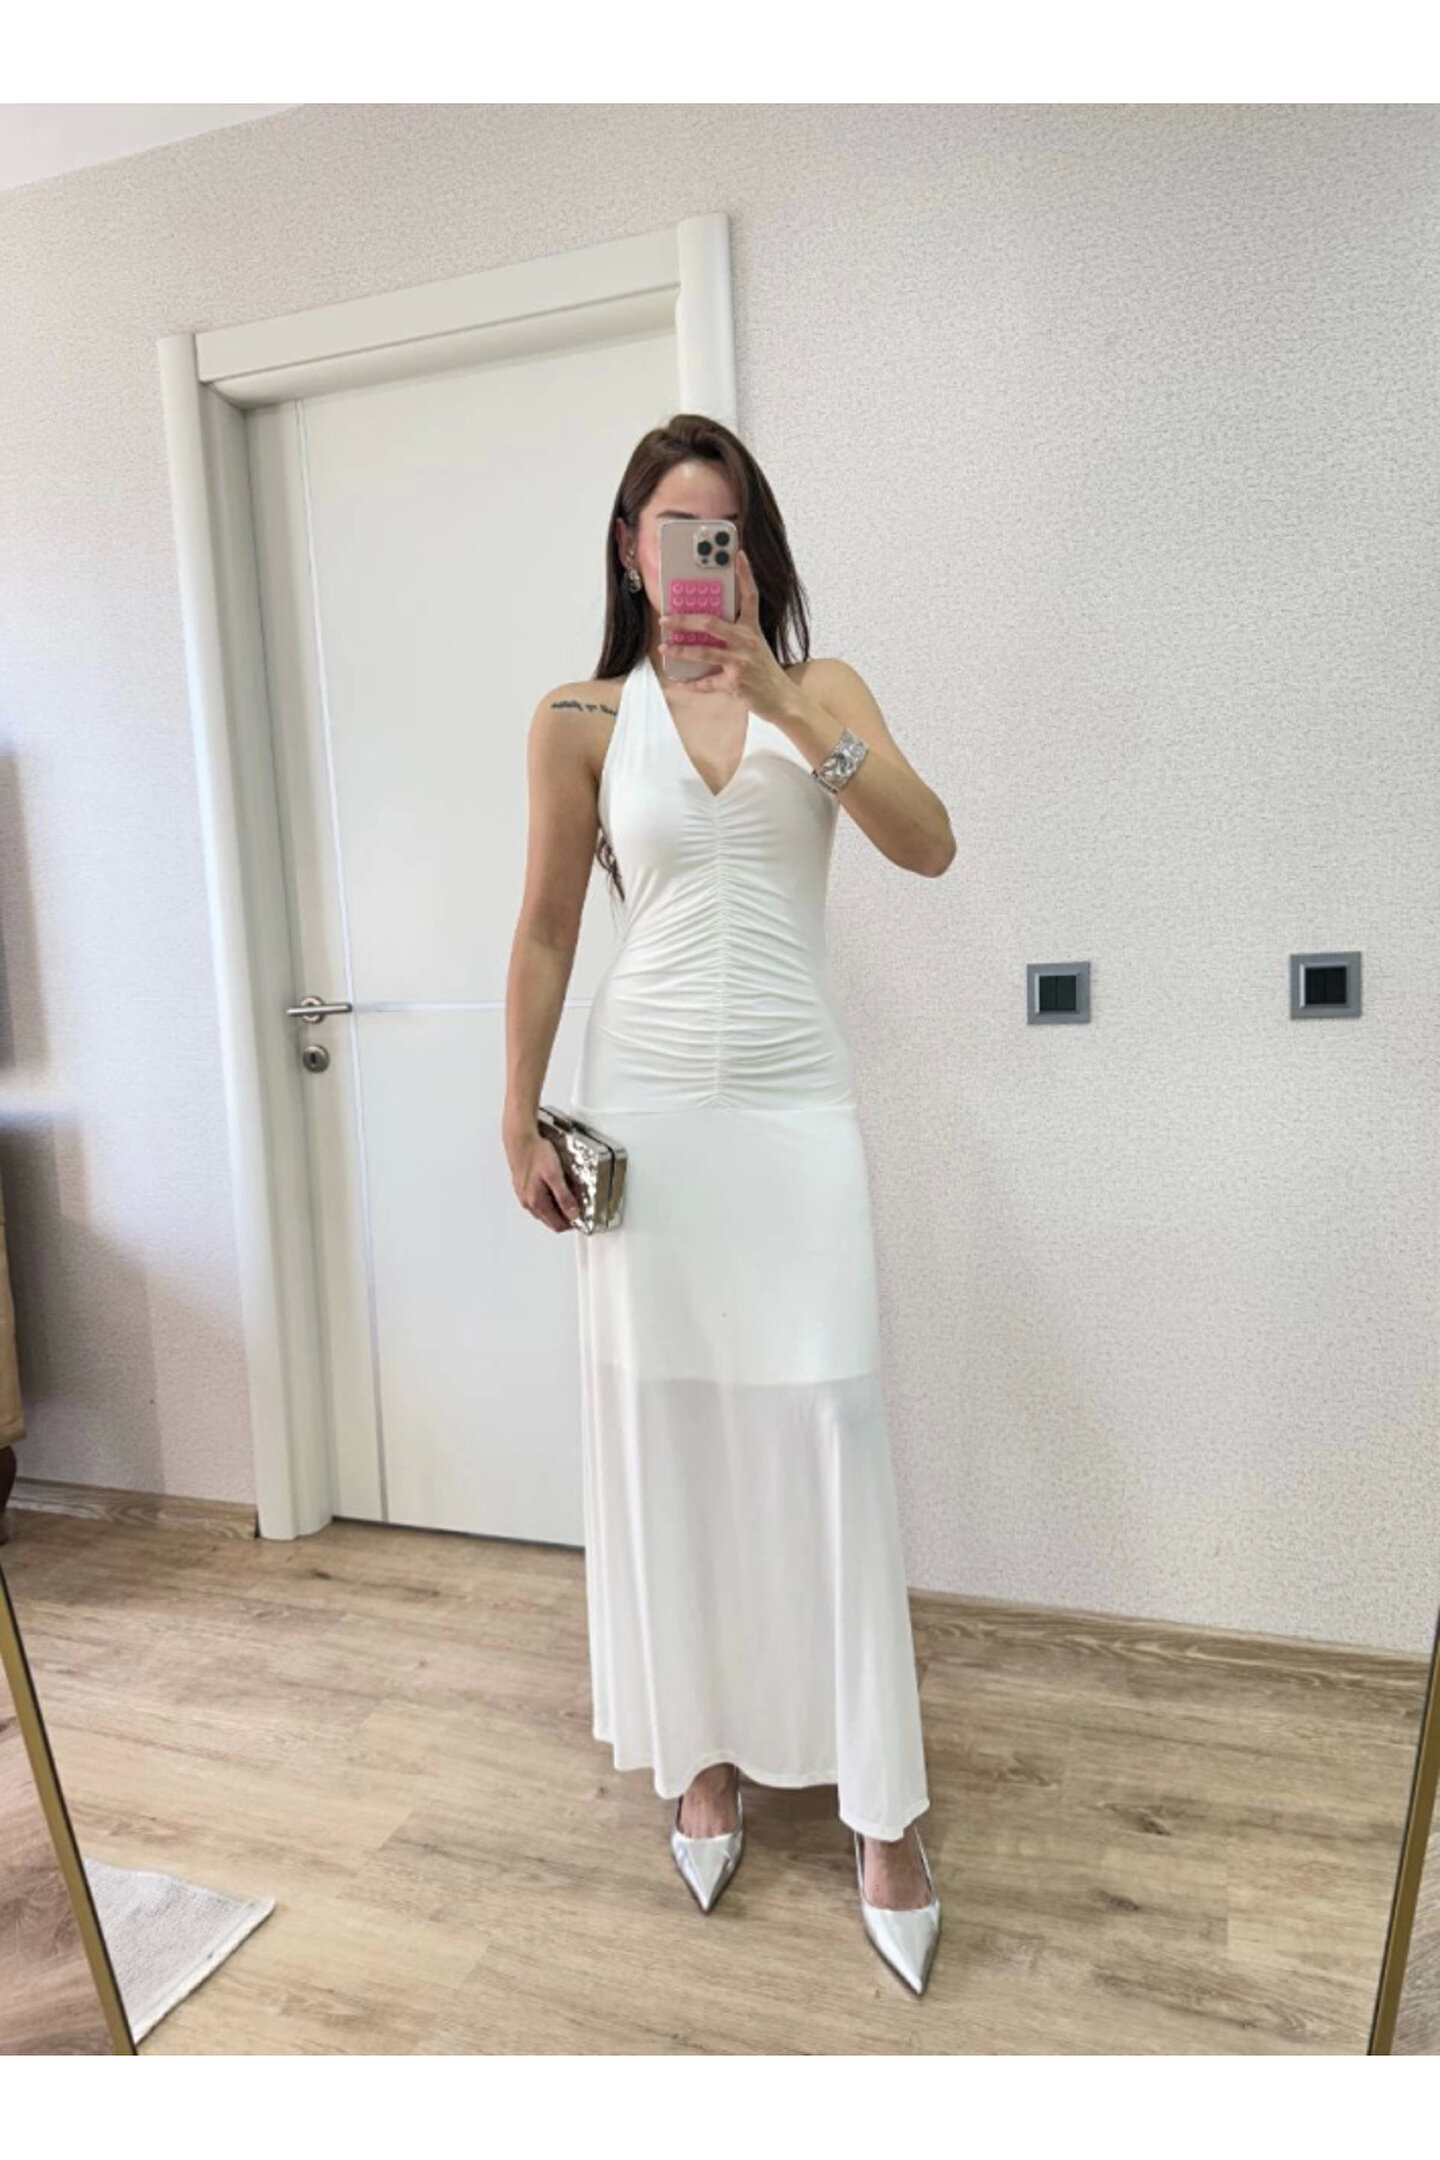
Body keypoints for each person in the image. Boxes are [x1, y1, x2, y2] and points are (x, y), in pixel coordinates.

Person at [502, 414, 956, 1994]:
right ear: (632, 551)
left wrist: (786, 708)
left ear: (753, 552)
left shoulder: (822, 692)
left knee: (831, 1419)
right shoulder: (578, 715)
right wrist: (515, 1110)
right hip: (648, 1109)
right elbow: (547, 929)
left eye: (728, 530)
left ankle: (883, 1812)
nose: (703, 554)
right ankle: (702, 1758)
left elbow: (929, 845)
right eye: (674, 529)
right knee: (671, 1421)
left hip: (793, 1105)